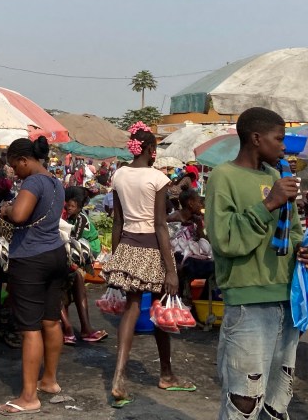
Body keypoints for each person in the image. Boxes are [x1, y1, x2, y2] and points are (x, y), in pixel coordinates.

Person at [205, 107, 308, 420]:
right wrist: (269, 203)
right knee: (244, 399)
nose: (284, 146)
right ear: (256, 138)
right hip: (247, 304)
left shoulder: (278, 177)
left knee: (276, 400)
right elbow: (225, 240)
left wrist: (304, 250)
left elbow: (293, 231)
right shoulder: (223, 177)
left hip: (287, 300)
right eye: (278, 139)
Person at [105, 122, 193, 407]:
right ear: (152, 151)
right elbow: (160, 225)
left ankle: (119, 376)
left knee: (132, 309)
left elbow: (117, 221)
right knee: (161, 310)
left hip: (128, 246)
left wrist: (115, 258)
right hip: (152, 250)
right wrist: (171, 269)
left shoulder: (119, 175)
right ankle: (166, 374)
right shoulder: (157, 179)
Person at [0, 136, 68, 414]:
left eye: (15, 165)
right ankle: (48, 380)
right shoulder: (54, 182)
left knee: (30, 329)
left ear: (25, 160)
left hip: (30, 259)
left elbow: (21, 214)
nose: (14, 171)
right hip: (55, 254)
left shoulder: (34, 182)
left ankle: (28, 397)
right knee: (51, 321)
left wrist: (6, 209)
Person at [60, 186, 106, 345]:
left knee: (68, 282)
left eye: (72, 206)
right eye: (68, 206)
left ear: (79, 208)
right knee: (63, 284)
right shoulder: (65, 216)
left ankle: (73, 330)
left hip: (80, 251)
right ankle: (70, 329)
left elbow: (73, 240)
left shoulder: (79, 220)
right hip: (66, 256)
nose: (68, 208)